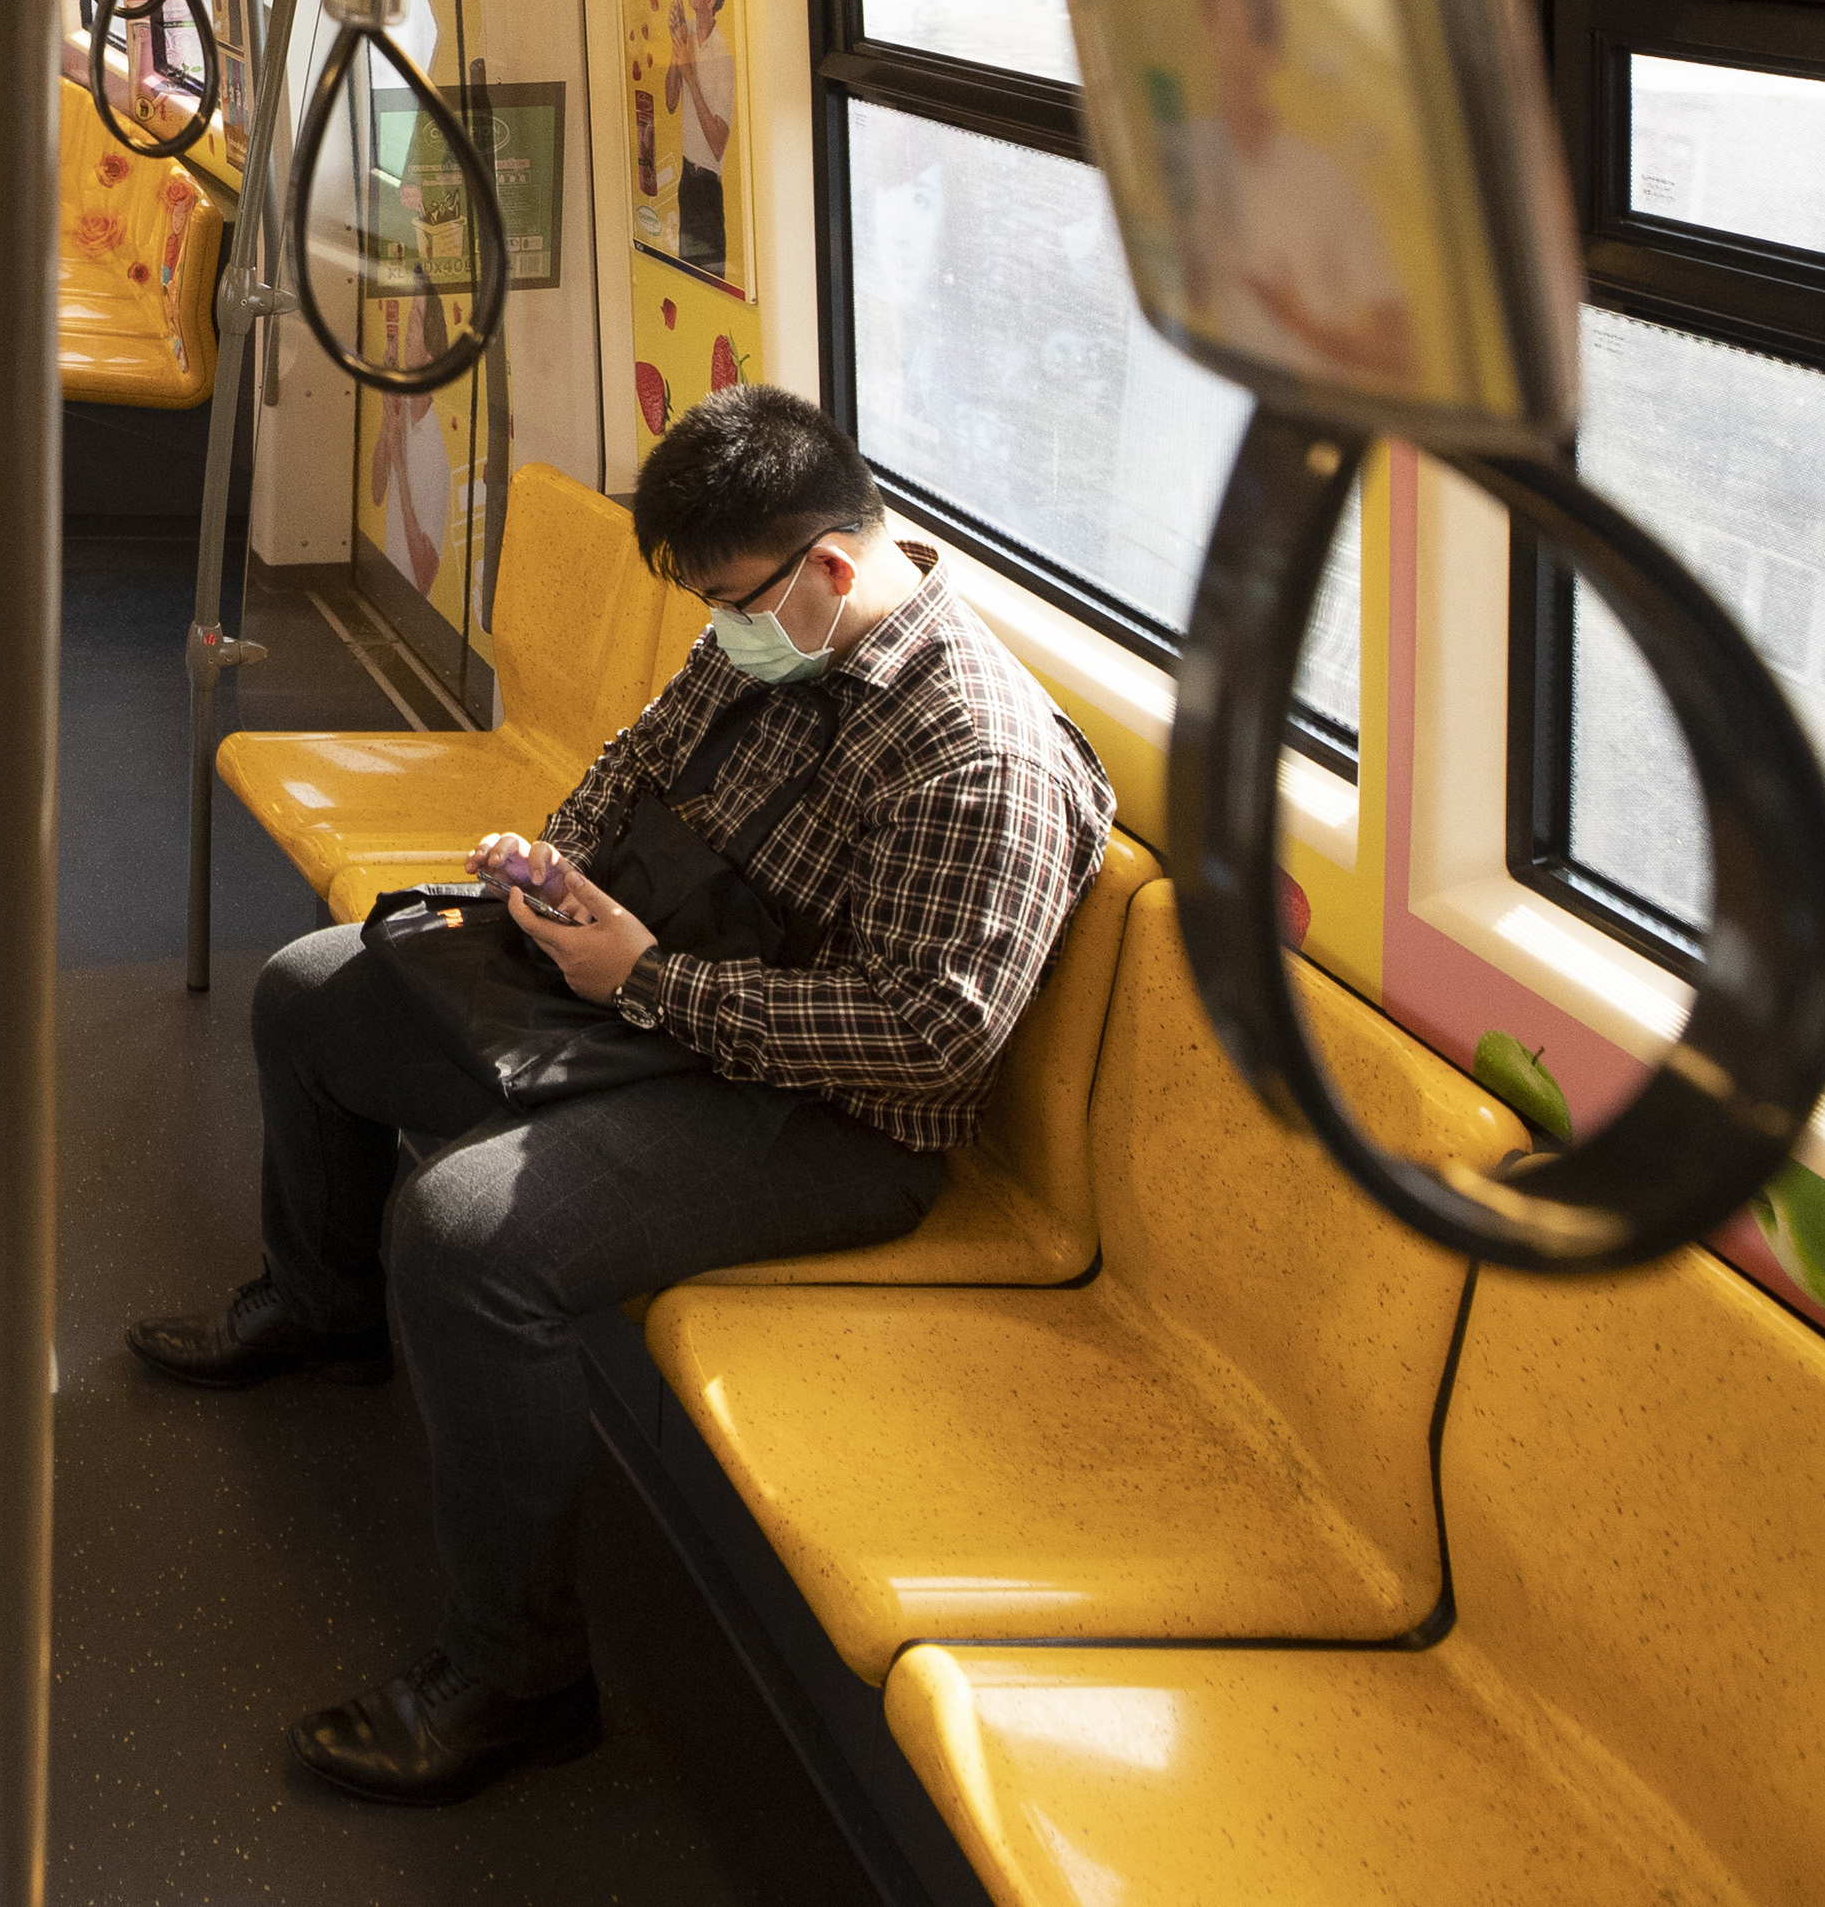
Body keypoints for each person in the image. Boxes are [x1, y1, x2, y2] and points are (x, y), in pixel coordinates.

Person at [128, 382, 1110, 1807]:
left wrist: (650, 984)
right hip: (660, 992)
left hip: (829, 1121)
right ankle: (324, 1308)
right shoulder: (772, 637)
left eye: (730, 601)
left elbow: (928, 1036)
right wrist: (553, 874)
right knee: (312, 991)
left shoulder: (979, 754)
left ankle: (523, 1673)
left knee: (470, 1236)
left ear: (830, 566)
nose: (720, 632)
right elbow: (642, 759)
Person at [1176, 0, 1414, 389]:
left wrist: (1297, 321)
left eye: (1238, 30)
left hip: (1317, 420)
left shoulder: (1325, 182)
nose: (1223, 49)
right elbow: (1189, 296)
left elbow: (1397, 355)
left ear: (1272, 57)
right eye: (1214, 25)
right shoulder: (1187, 154)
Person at [667, 0, 734, 271]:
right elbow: (669, 101)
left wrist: (692, 76)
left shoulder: (722, 55)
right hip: (686, 180)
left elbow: (719, 143)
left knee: (708, 274)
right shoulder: (690, 32)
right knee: (686, 271)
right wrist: (675, 45)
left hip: (707, 189)